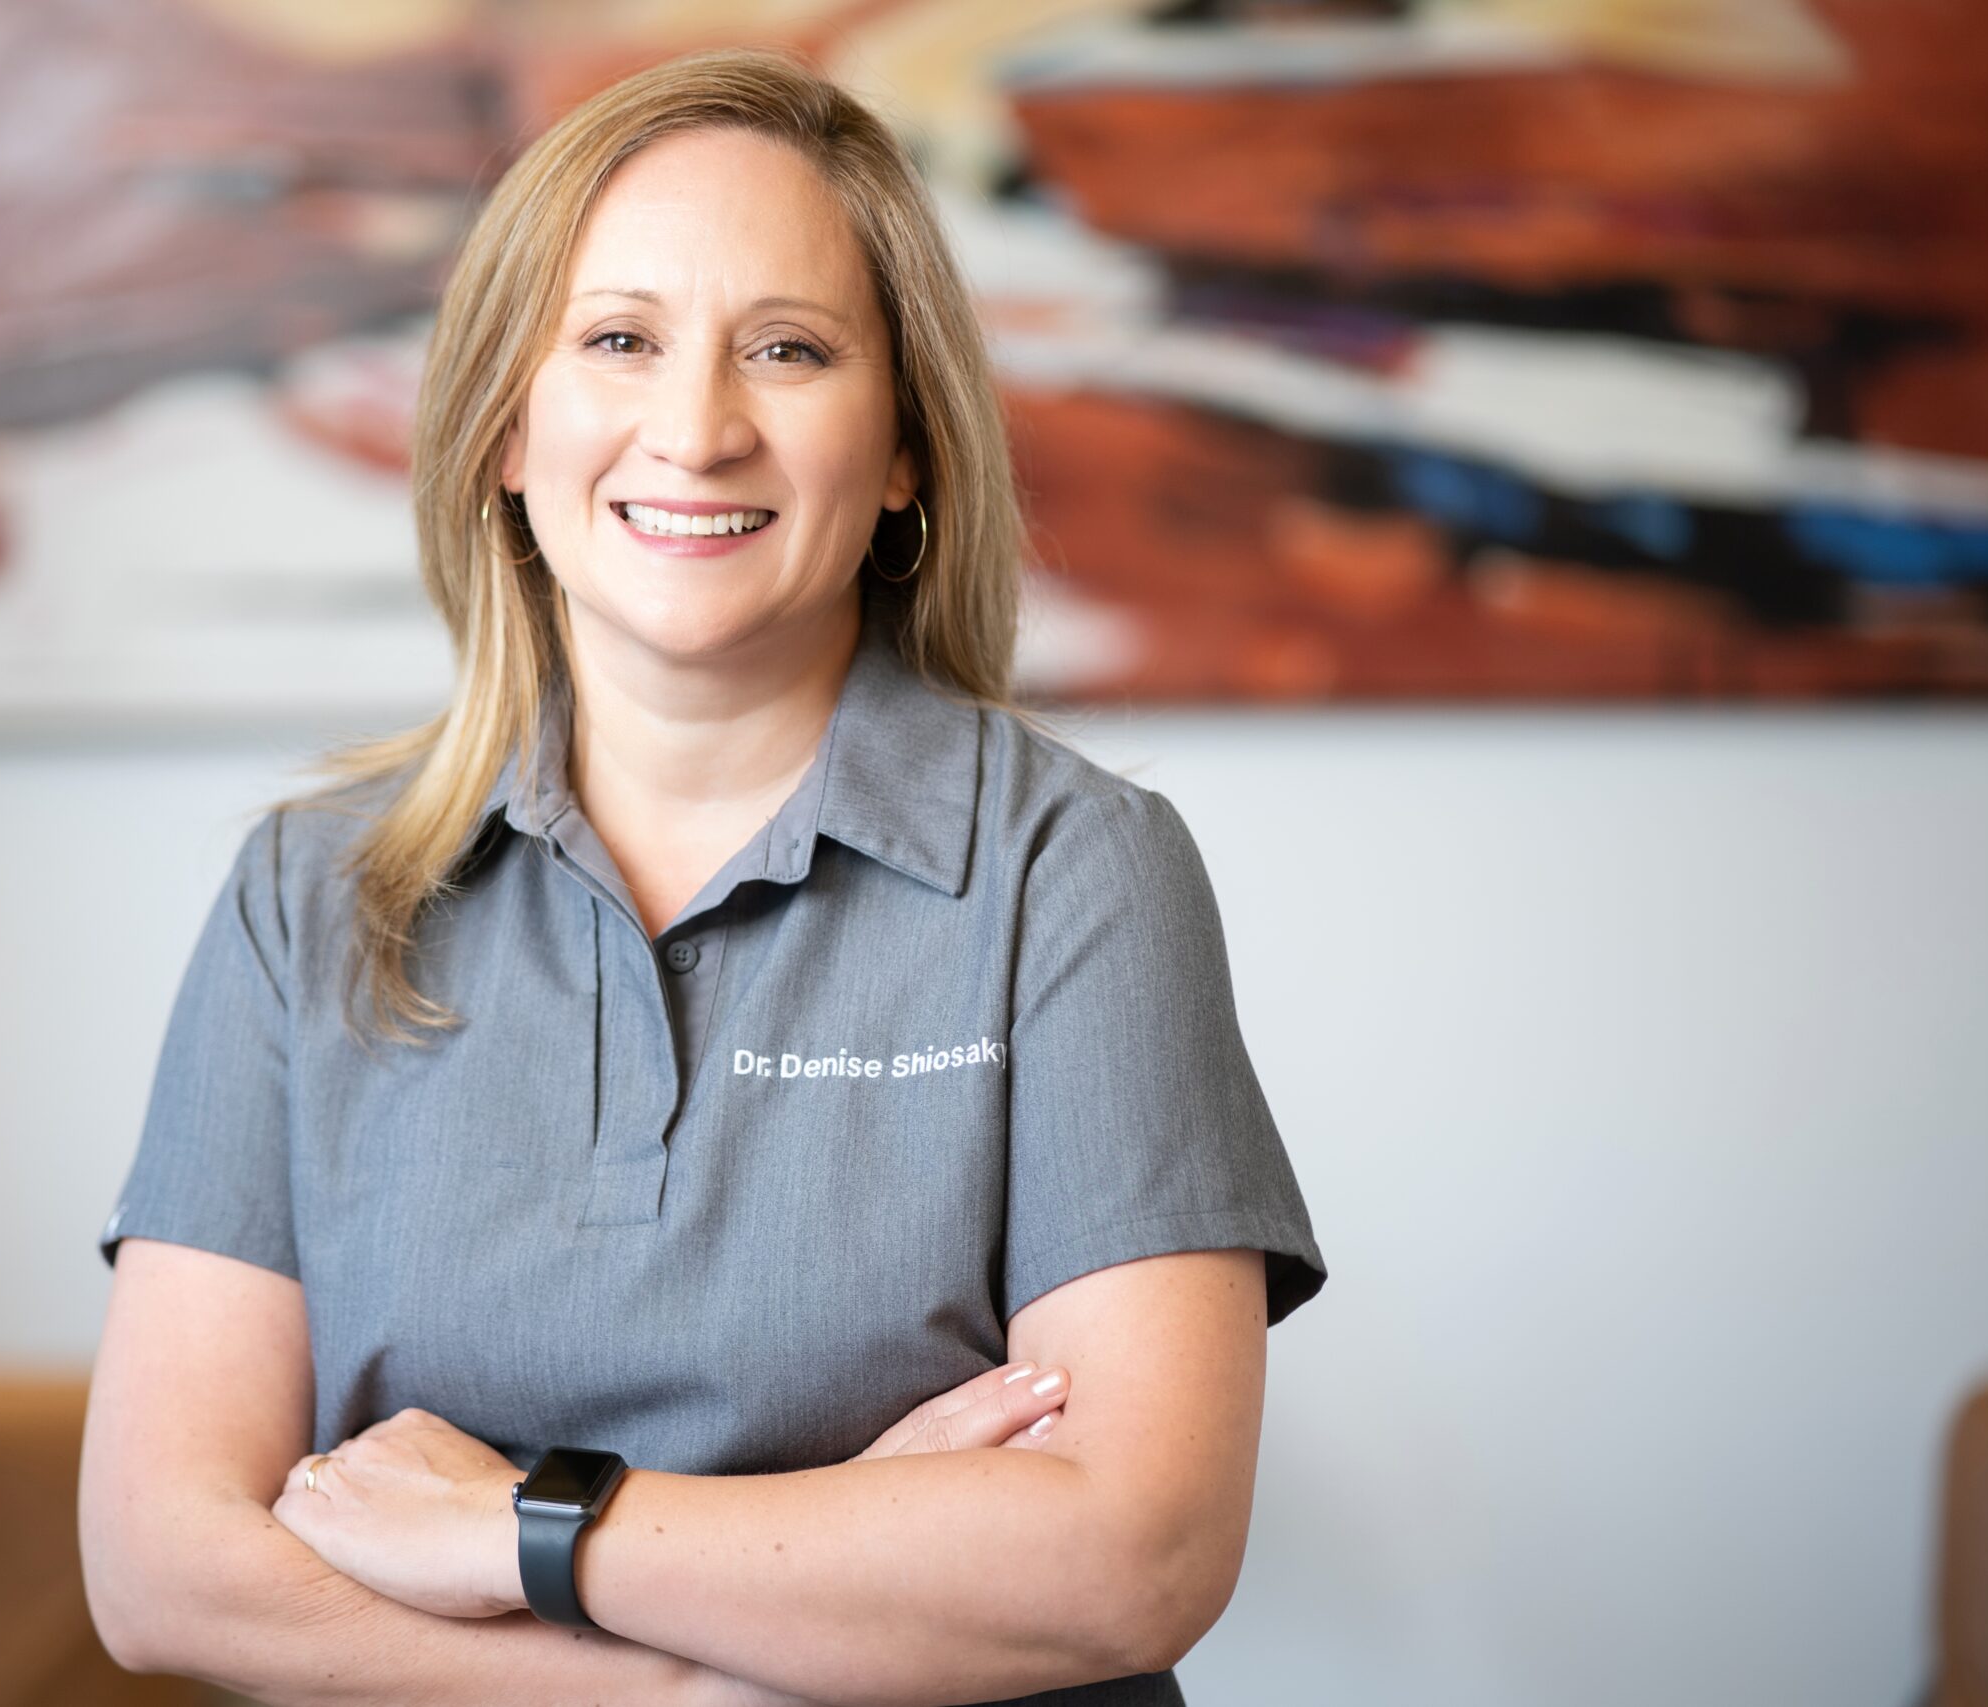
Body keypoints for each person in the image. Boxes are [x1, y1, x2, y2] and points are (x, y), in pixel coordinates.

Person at [78, 44, 1326, 1707]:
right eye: (618, 341)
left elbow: (1134, 1557)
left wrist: (528, 1532)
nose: (698, 428)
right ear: (506, 429)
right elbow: (164, 1566)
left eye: (790, 351)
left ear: (903, 449)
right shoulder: (310, 899)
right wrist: (702, 1678)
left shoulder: (1075, 874)